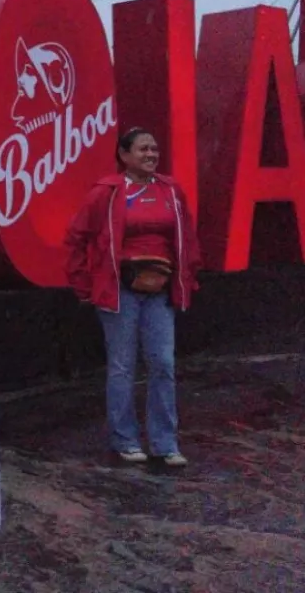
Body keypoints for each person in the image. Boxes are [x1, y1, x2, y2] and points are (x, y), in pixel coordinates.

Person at [64, 127, 201, 468]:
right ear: (124, 155)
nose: (151, 154)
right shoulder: (107, 192)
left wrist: (187, 278)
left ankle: (165, 444)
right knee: (122, 366)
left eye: (154, 148)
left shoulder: (171, 190)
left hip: (160, 291)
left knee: (163, 364)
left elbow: (188, 237)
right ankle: (125, 440)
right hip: (119, 292)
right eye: (143, 149)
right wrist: (84, 286)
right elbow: (76, 237)